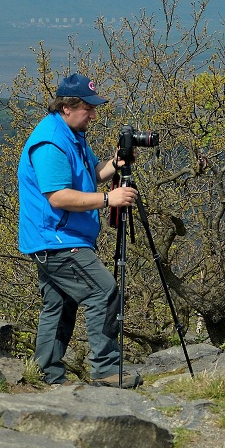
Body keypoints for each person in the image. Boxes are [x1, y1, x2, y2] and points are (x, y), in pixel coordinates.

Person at [17, 73, 142, 388]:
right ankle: (107, 371)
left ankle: (46, 374)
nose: (93, 114)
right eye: (88, 108)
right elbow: (58, 196)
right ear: (67, 107)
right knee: (103, 291)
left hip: (53, 239)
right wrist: (107, 199)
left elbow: (90, 174)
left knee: (59, 306)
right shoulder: (51, 143)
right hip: (57, 240)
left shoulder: (71, 134)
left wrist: (116, 162)